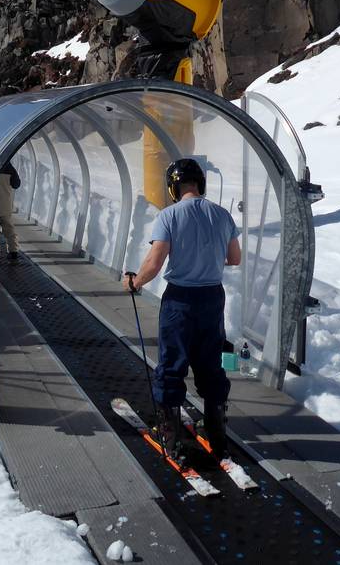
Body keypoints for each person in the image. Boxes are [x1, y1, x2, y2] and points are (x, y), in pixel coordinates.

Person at [123, 158, 241, 460]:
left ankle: (172, 438)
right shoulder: (222, 215)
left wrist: (135, 281)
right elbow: (234, 258)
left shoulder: (169, 216)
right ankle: (216, 432)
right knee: (211, 363)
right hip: (213, 298)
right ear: (200, 183)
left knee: (172, 364)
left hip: (180, 300)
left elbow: (155, 262)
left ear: (173, 187)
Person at [0, 161, 21, 261]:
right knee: (9, 230)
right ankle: (13, 252)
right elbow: (16, 184)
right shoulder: (10, 169)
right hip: (6, 205)